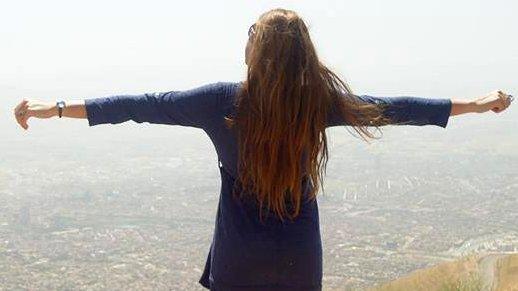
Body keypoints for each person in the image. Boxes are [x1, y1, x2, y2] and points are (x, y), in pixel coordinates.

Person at [12, 8, 513, 291]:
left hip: (238, 260)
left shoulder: (219, 103)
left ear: (256, 51)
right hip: (297, 259)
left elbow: (140, 104)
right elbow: (395, 107)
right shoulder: (317, 104)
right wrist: (473, 104)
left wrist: (55, 107)